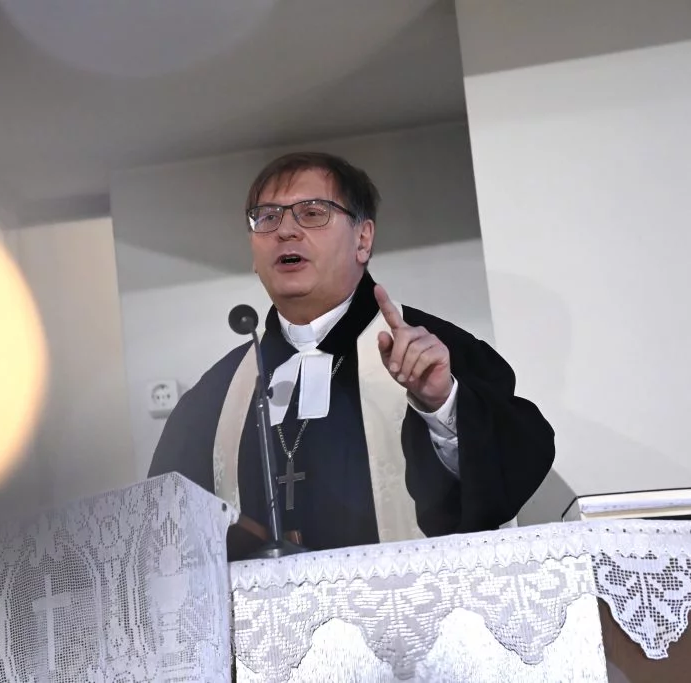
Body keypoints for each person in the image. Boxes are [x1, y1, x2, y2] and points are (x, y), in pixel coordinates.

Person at [147, 151, 554, 550]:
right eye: (267, 218)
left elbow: (514, 468)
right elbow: (162, 527)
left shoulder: (436, 352)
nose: (285, 231)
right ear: (254, 253)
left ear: (363, 239)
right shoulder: (216, 394)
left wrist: (442, 403)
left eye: (312, 213)